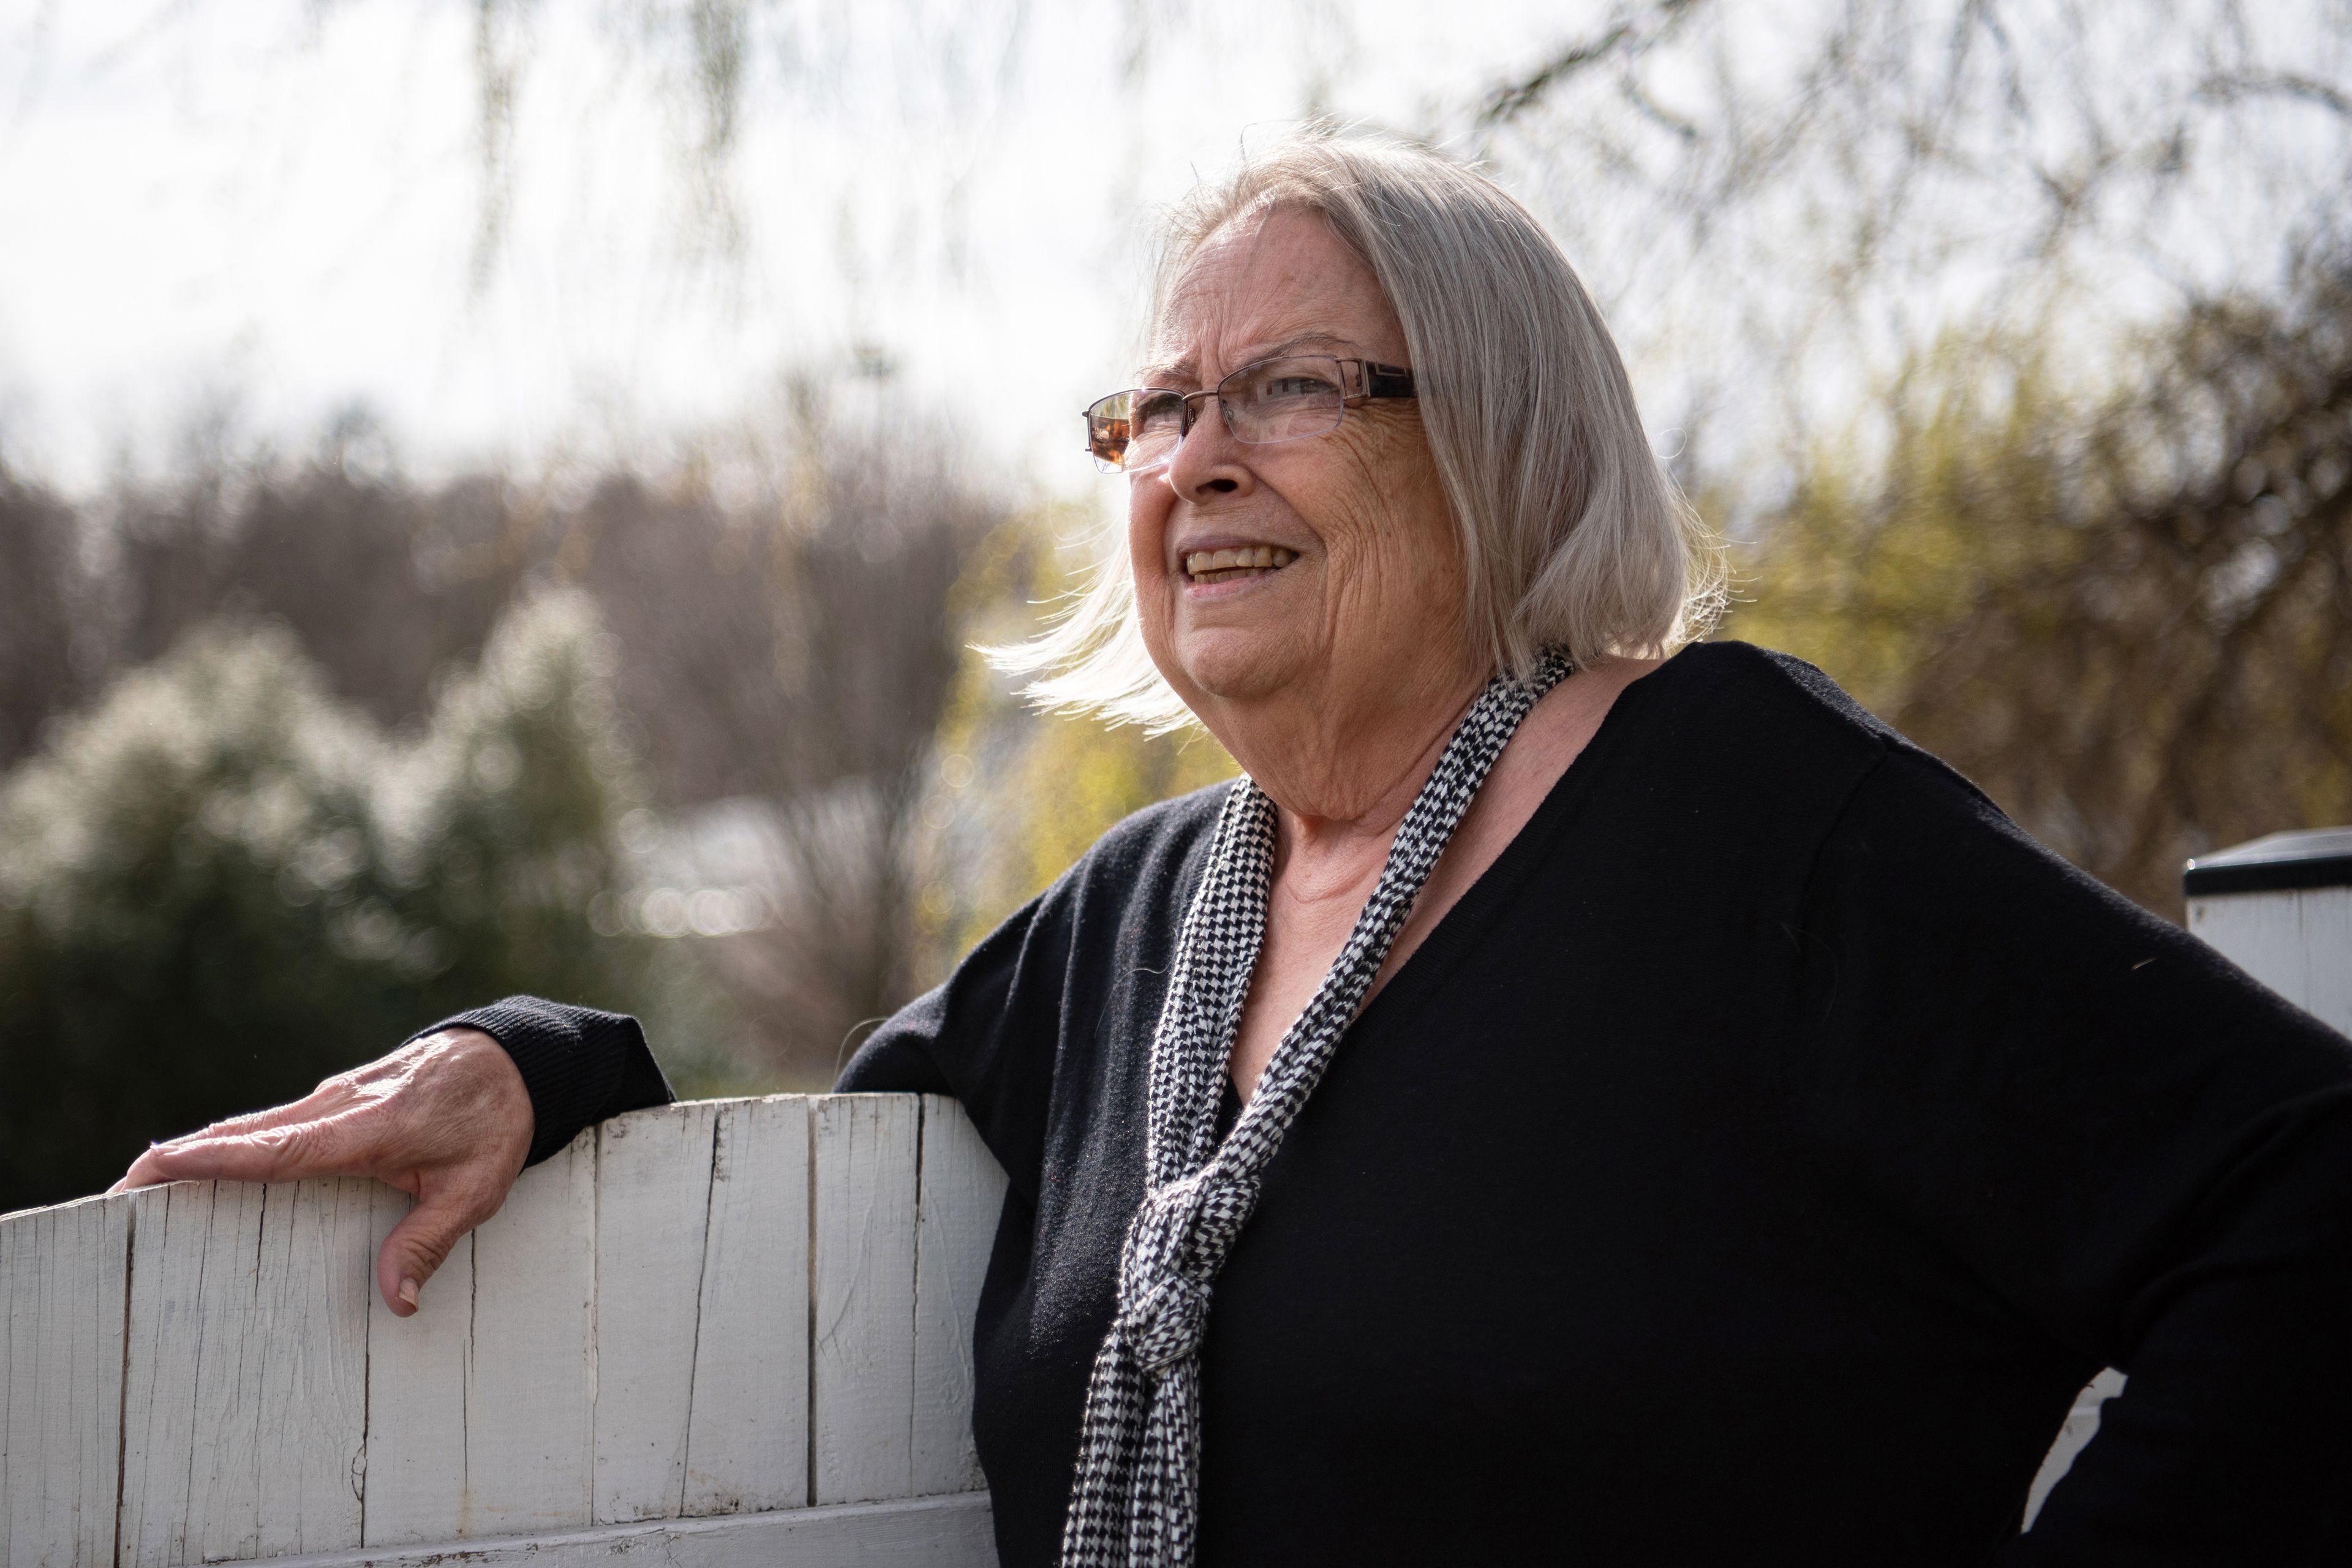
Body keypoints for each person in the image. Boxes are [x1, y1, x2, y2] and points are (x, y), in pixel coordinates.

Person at [113, 132, 2352, 1567]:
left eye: (1288, 385)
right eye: (1157, 409)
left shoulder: (1735, 815)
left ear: (1499, 438)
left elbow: (2304, 1200)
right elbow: (830, 1133)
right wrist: (537, 1058)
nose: (1196, 458)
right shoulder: (1146, 917)